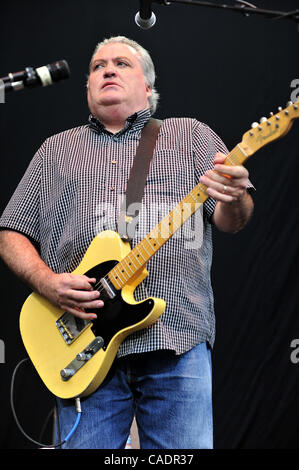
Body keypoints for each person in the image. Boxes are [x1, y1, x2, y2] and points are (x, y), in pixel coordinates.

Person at [0, 36, 254, 449]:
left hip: (175, 338)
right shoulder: (54, 151)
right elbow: (10, 231)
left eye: (122, 63)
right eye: (98, 66)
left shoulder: (190, 135)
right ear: (87, 89)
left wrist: (236, 196)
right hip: (80, 342)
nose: (108, 70)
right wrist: (48, 283)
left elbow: (231, 221)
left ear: (149, 88)